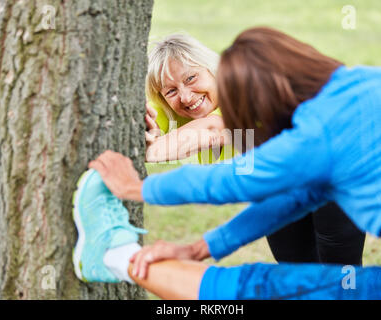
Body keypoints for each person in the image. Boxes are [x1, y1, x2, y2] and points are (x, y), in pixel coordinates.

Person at [74, 26, 381, 299]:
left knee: (254, 287)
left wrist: (138, 186)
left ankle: (114, 255)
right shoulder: (377, 83)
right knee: (304, 281)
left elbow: (231, 178)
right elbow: (295, 198)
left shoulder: (316, 131)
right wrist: (204, 247)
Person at [143, 33, 365, 266]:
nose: (186, 96)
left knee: (339, 271)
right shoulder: (175, 107)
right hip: (281, 182)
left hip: (334, 163)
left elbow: (211, 130)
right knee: (294, 273)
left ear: (212, 70)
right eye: (171, 91)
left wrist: (149, 151)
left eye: (191, 78)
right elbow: (148, 120)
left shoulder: (240, 90)